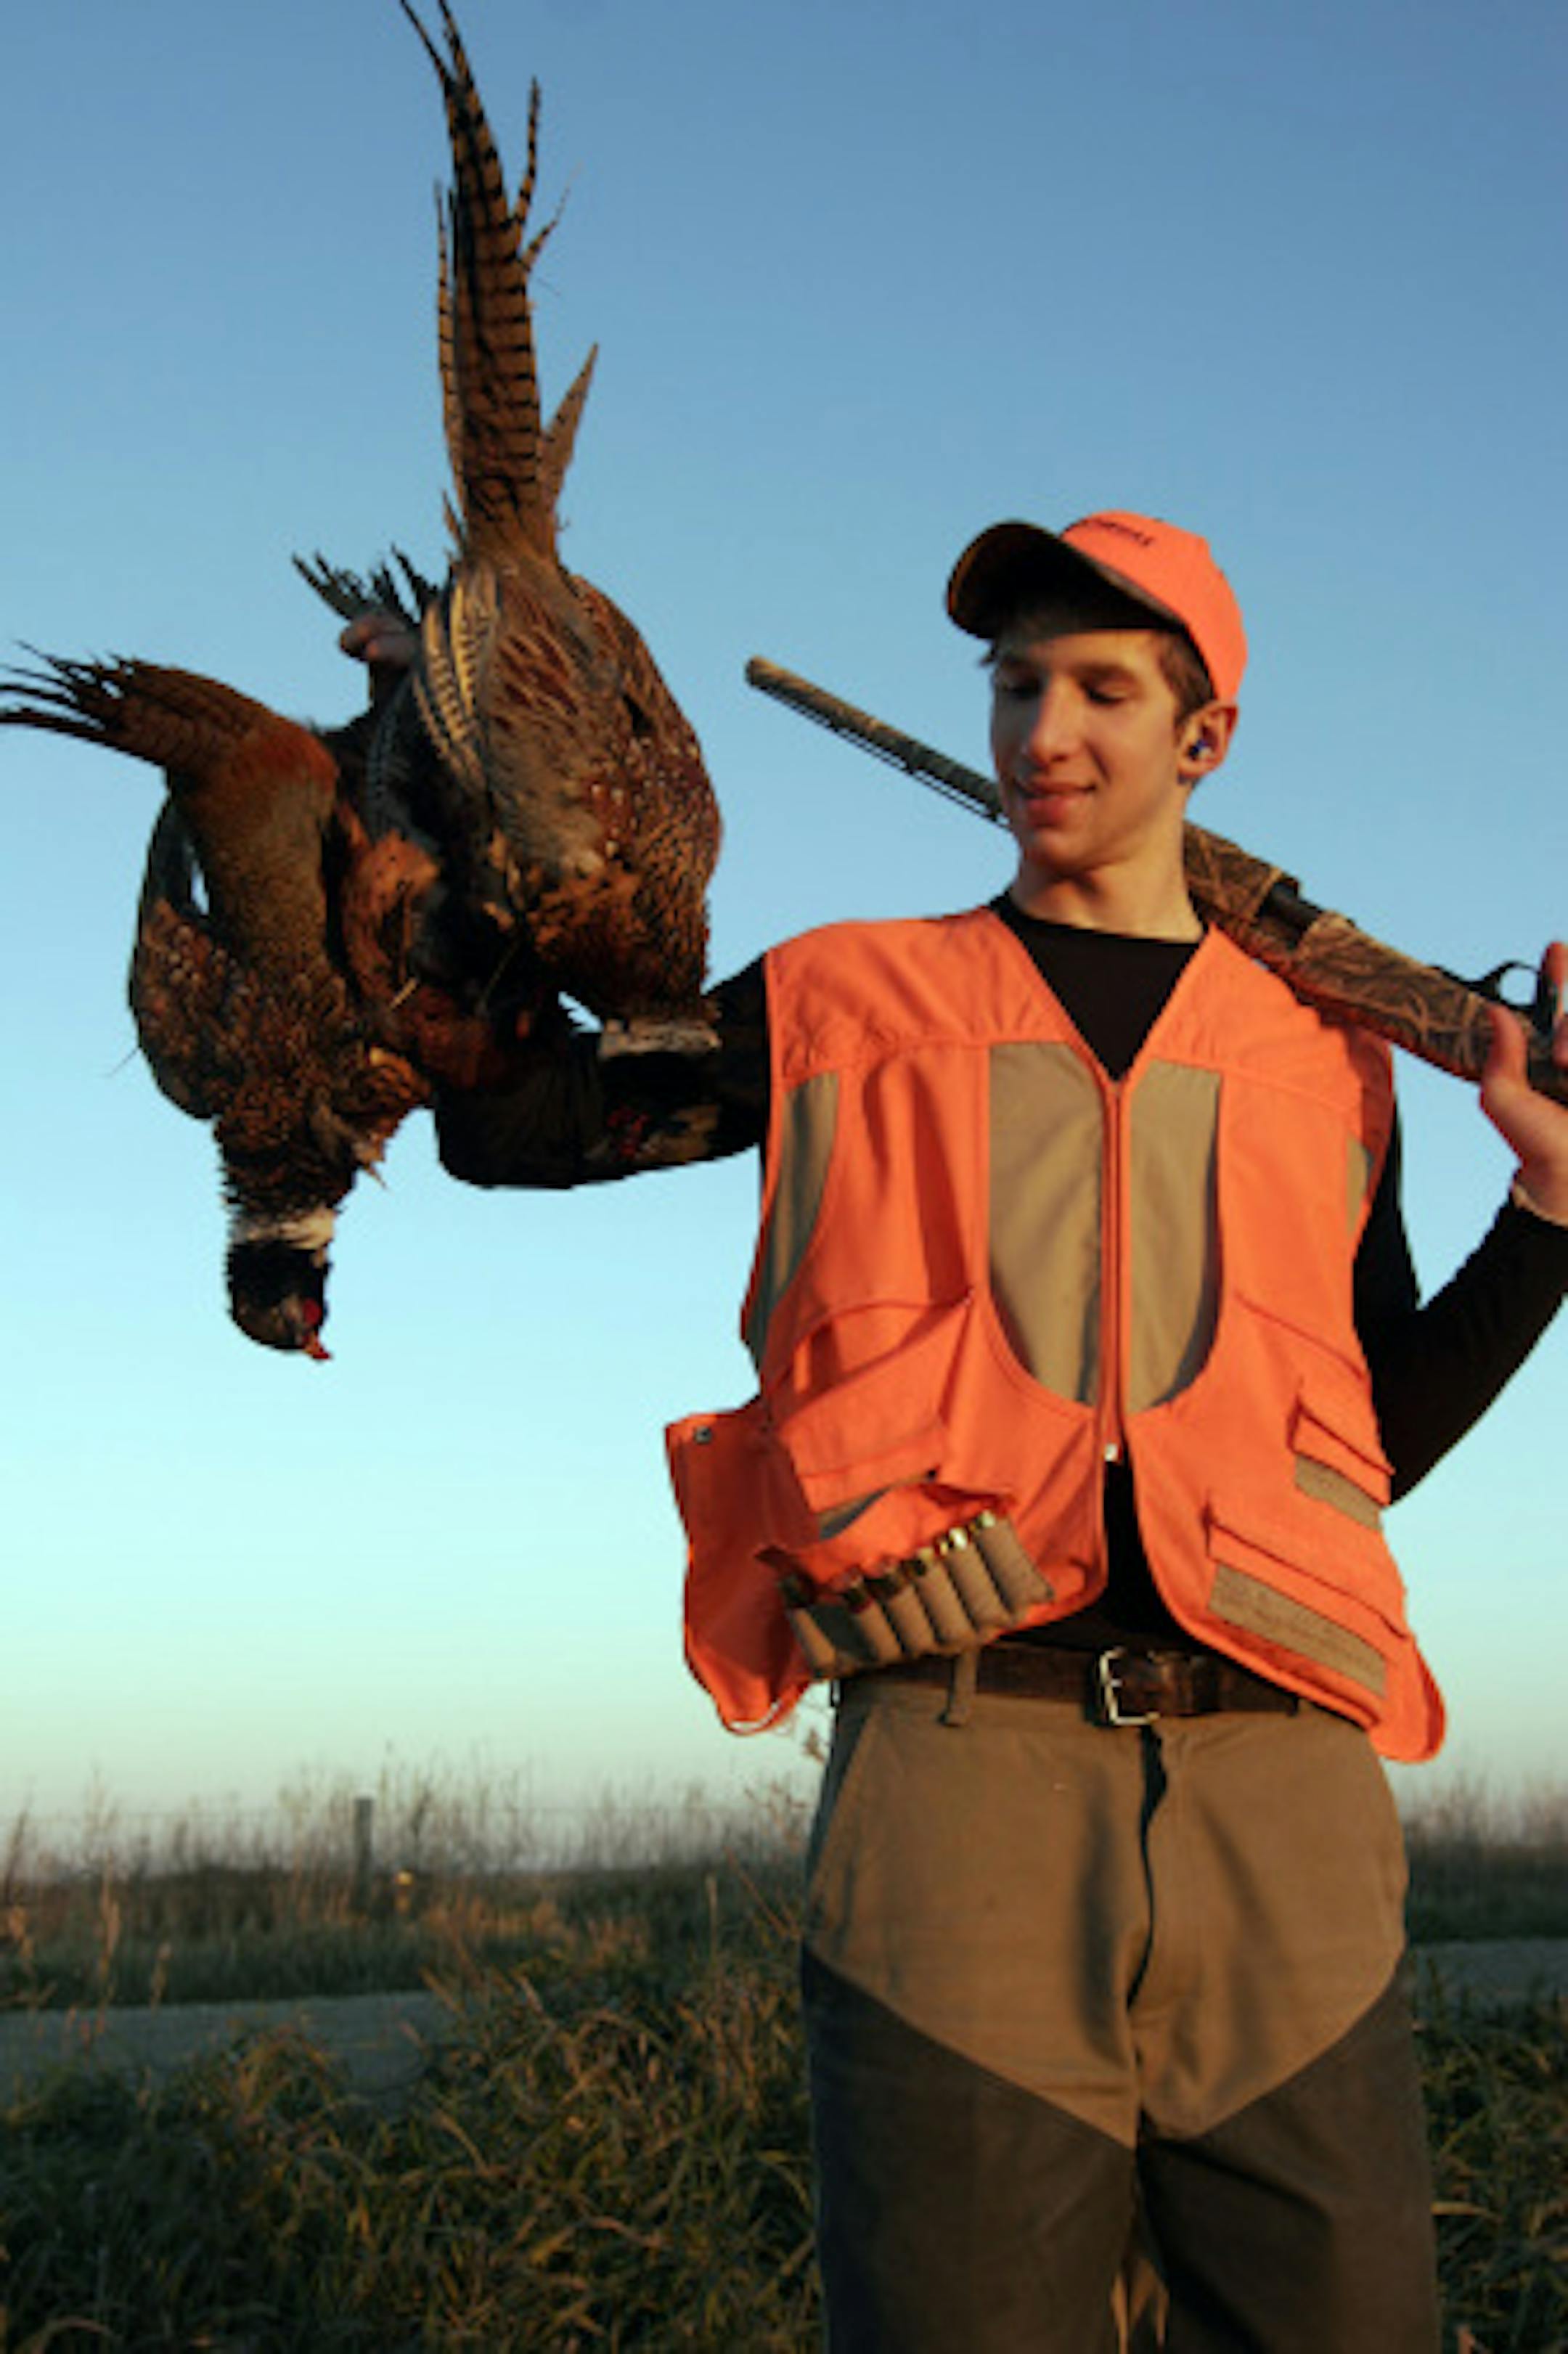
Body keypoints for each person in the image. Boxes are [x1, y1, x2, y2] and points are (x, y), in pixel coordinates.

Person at [348, 512, 1568, 2350]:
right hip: (957, 1784)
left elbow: (1366, 1442)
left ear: (1206, 738)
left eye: (1103, 691)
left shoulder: (1326, 1060)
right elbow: (515, 1126)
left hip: (1290, 1817)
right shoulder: (841, 1001)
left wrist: (1551, 1209)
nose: (1043, 734)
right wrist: (430, 811)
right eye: (1016, 685)